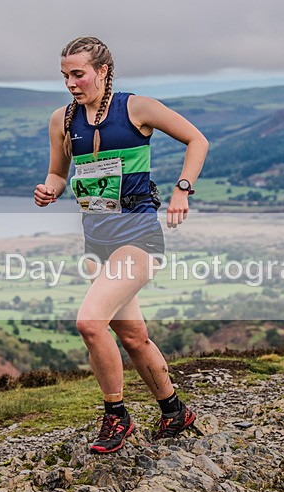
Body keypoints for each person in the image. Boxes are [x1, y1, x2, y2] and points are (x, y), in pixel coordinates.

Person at [34, 36, 208, 453]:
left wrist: (183, 189)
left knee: (90, 323)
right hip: (97, 241)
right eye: (65, 76)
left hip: (138, 236)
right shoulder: (62, 120)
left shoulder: (136, 108)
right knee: (133, 337)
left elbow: (197, 140)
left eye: (78, 74)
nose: (71, 83)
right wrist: (50, 189)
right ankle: (174, 411)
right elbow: (58, 173)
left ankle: (117, 415)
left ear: (103, 71)